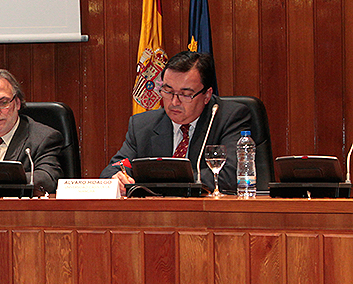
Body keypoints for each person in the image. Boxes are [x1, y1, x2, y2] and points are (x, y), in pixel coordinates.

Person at [100, 51, 251, 195]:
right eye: (168, 91)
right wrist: (117, 179)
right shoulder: (143, 125)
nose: (174, 102)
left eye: (185, 94)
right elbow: (113, 170)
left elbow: (232, 175)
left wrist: (163, 182)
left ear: (207, 95)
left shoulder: (229, 118)